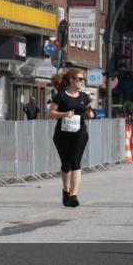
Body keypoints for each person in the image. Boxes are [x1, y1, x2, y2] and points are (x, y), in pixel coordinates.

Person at [48, 68, 94, 207]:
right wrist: (64, 114)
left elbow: (90, 114)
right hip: (62, 135)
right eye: (80, 79)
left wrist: (90, 113)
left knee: (75, 162)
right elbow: (51, 113)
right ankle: (65, 189)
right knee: (65, 164)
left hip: (80, 134)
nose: (82, 82)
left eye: (83, 79)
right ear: (71, 80)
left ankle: (74, 195)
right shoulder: (61, 96)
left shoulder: (84, 97)